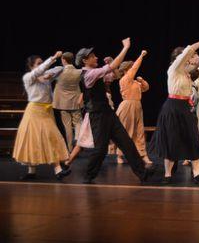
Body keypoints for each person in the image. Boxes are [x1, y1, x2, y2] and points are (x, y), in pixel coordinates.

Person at [76, 39, 153, 184]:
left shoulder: (96, 73)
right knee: (100, 149)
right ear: (85, 60)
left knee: (126, 142)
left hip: (108, 113)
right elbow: (112, 66)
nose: (96, 57)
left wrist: (111, 64)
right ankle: (89, 175)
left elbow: (116, 74)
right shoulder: (89, 75)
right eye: (92, 56)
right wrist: (126, 47)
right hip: (97, 115)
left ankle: (142, 173)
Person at [152, 38, 199, 185]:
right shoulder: (174, 69)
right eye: (187, 58)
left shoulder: (186, 73)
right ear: (179, 58)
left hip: (185, 107)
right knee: (172, 140)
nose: (190, 59)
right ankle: (167, 175)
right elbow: (188, 51)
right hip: (173, 107)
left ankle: (196, 174)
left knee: (193, 137)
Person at [13, 52, 71, 180]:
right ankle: (32, 171)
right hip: (34, 111)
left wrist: (50, 73)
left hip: (46, 112)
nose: (42, 66)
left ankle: (58, 169)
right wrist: (54, 58)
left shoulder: (46, 77)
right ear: (31, 66)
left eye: (41, 63)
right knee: (32, 140)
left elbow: (60, 69)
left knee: (52, 138)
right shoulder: (28, 77)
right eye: (39, 64)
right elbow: (38, 71)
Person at [115, 50, 151, 165]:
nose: (133, 71)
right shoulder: (124, 80)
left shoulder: (134, 82)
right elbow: (135, 67)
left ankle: (143, 155)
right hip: (127, 106)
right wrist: (141, 55)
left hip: (137, 106)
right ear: (126, 70)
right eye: (130, 68)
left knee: (139, 132)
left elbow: (145, 88)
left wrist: (142, 81)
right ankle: (120, 154)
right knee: (126, 131)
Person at [52, 52, 83, 152]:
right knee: (78, 122)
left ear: (63, 60)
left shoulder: (59, 71)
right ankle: (78, 141)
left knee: (67, 126)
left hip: (63, 103)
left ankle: (70, 148)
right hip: (76, 101)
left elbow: (47, 74)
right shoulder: (79, 72)